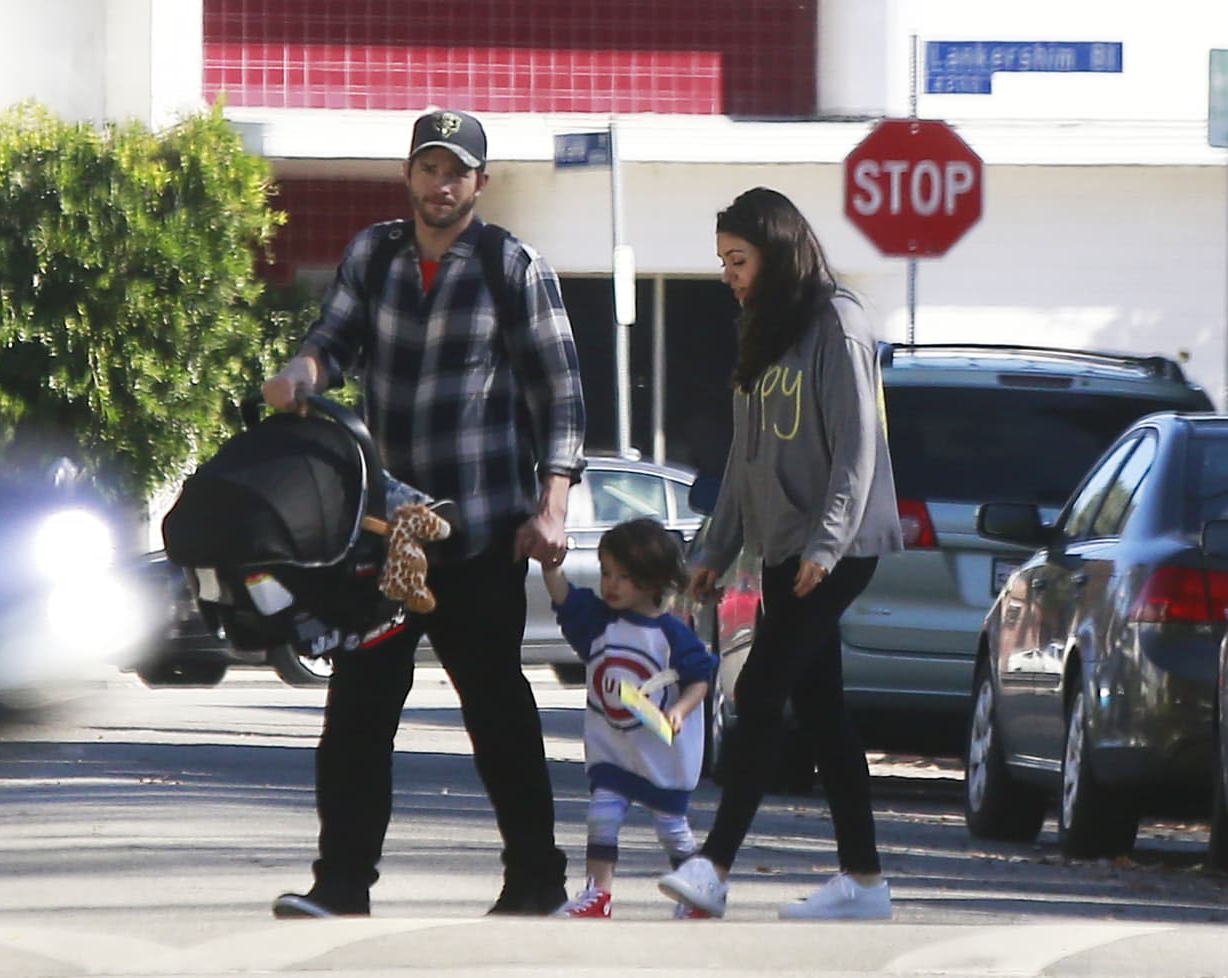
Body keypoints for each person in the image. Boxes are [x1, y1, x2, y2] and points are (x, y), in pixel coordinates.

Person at [262, 108, 586, 918]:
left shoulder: (513, 265)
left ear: (481, 183)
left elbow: (560, 394)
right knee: (357, 712)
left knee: (497, 710)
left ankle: (536, 881)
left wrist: (552, 507)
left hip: (480, 534)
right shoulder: (373, 255)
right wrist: (299, 375)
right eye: (430, 168)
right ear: (408, 175)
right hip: (385, 537)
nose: (442, 185)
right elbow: (331, 342)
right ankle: (341, 885)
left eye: (457, 172)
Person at [657, 187, 903, 921]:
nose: (728, 275)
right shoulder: (761, 328)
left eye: (739, 259)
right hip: (782, 544)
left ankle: (713, 867)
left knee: (761, 692)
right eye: (724, 261)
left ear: (777, 252)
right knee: (822, 710)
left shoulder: (838, 321)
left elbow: (857, 447)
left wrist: (828, 543)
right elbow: (746, 456)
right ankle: (864, 881)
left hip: (835, 548)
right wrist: (716, 546)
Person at [540, 518, 715, 919]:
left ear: (654, 581)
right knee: (602, 816)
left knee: (672, 828)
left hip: (661, 753)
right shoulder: (599, 621)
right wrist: (551, 566)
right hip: (613, 748)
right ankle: (598, 894)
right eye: (606, 573)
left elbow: (700, 678)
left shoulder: (671, 635)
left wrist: (680, 711)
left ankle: (696, 892)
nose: (611, 585)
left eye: (624, 576)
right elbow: (565, 598)